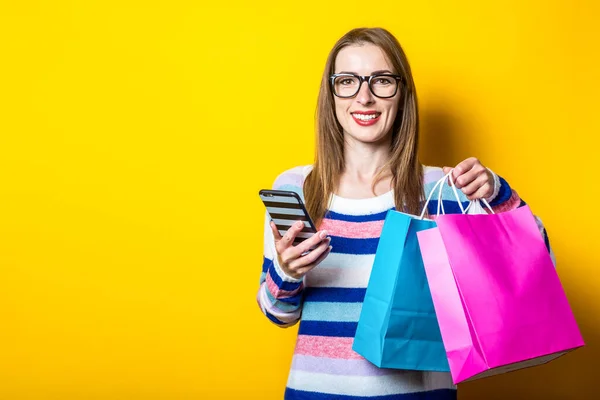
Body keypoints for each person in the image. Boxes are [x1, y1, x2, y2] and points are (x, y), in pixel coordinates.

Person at [256, 27, 552, 400]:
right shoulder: (297, 188)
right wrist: (286, 271)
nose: (364, 97)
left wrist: (499, 193)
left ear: (403, 93)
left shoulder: (441, 189)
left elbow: (536, 266)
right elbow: (277, 314)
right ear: (330, 94)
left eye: (381, 81)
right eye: (347, 81)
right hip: (314, 392)